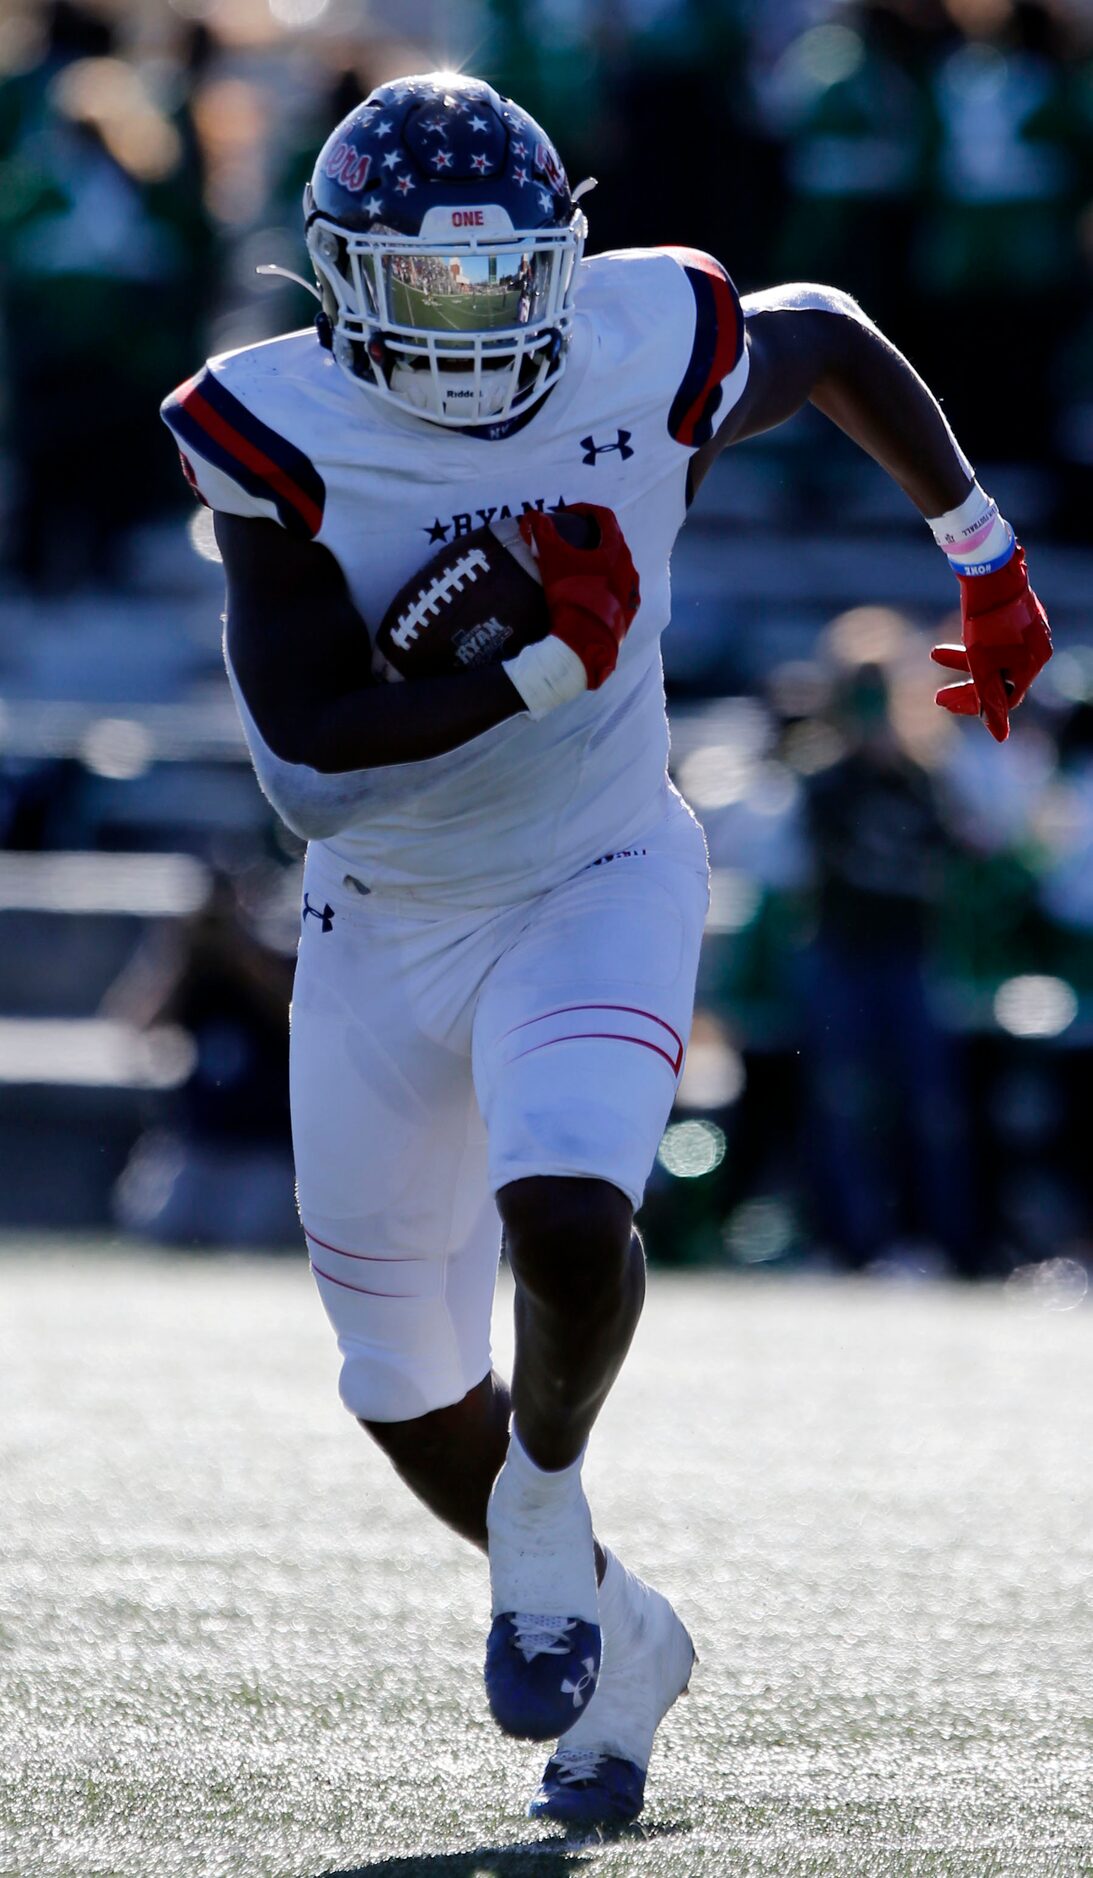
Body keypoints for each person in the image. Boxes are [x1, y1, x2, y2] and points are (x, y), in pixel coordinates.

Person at [160, 71, 1051, 1829]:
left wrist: (979, 546)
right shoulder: (262, 431)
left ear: (563, 265)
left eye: (507, 283)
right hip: (384, 908)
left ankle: (548, 1509)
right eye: (435, 287)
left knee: (569, 1211)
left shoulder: (648, 334)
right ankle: (626, 1633)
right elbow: (317, 744)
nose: (481, 326)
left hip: (598, 868)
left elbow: (831, 331)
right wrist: (545, 661)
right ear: (344, 282)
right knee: (399, 1379)